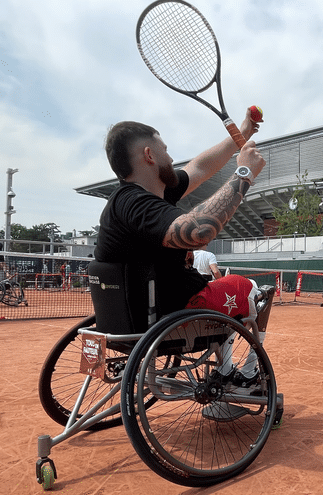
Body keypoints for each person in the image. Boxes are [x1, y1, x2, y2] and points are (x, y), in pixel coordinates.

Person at [95, 108, 266, 398]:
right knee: (248, 288)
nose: (172, 159)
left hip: (133, 314)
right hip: (170, 315)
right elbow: (199, 232)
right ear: (149, 156)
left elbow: (200, 167)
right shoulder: (138, 204)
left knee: (219, 293)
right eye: (166, 151)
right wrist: (244, 173)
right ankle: (244, 376)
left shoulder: (143, 196)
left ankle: (226, 370)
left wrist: (243, 132)